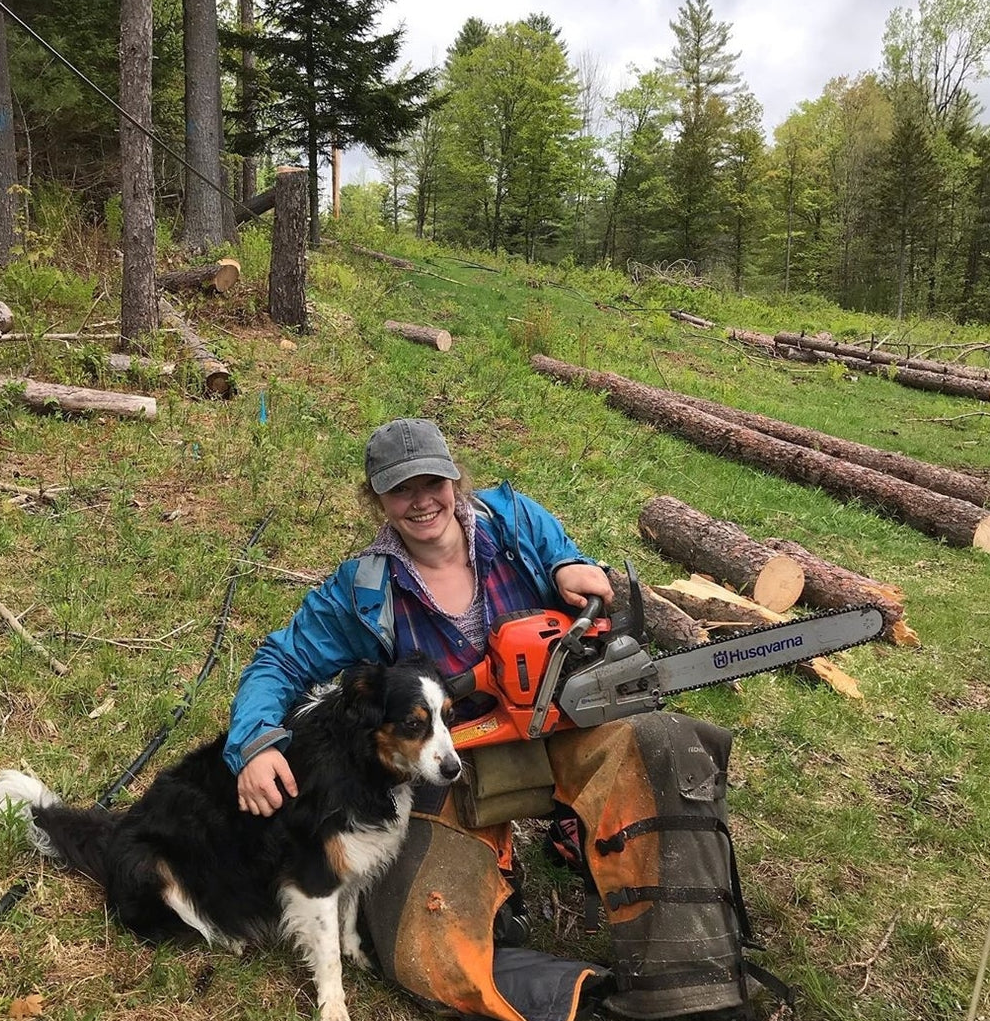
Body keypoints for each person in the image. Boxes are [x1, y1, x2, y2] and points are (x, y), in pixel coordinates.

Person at [225, 419, 760, 1021]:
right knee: (418, 941)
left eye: (433, 482)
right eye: (402, 489)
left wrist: (571, 568)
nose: (422, 500)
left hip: (569, 727)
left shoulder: (513, 522)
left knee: (665, 745)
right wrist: (256, 742)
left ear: (455, 480)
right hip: (458, 762)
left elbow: (563, 557)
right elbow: (282, 658)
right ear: (378, 498)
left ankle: (694, 990)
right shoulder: (366, 588)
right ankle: (586, 1003)